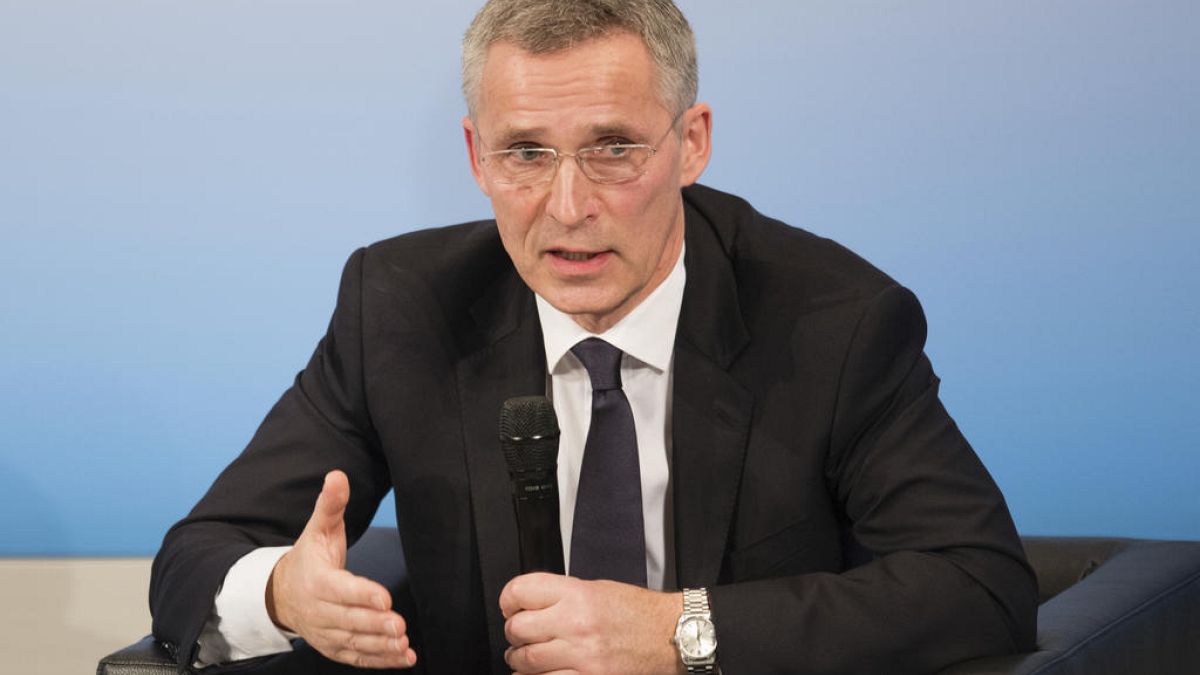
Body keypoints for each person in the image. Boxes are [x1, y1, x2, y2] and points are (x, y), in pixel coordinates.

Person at [150, 1, 1038, 673]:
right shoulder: (401, 309)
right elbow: (196, 556)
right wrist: (283, 592)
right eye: (526, 153)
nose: (568, 207)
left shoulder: (834, 322)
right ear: (475, 157)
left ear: (691, 143)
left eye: (613, 148)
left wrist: (679, 632)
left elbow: (980, 582)